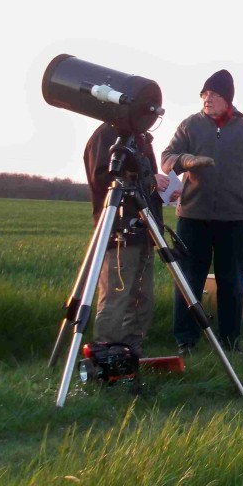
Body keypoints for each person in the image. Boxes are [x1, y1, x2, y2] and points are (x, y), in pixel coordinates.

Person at [161, 69, 243, 355]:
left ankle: (230, 342)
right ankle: (186, 340)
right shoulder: (189, 125)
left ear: (228, 99)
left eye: (215, 94)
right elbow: (166, 158)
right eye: (204, 94)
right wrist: (186, 160)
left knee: (231, 283)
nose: (208, 99)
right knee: (188, 282)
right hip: (192, 219)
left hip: (232, 221)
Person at [84, 122, 171, 359]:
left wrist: (162, 190)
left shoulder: (141, 139)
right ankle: (105, 356)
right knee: (116, 298)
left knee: (142, 299)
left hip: (145, 229)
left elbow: (143, 181)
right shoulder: (106, 135)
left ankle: (131, 353)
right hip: (119, 232)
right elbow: (106, 180)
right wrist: (150, 180)